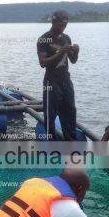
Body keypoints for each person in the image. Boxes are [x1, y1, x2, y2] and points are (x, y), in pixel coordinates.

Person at [37, 10, 79, 141]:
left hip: (66, 80)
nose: (62, 28)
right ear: (53, 22)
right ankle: (51, 146)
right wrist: (60, 52)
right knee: (50, 116)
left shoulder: (66, 38)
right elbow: (43, 63)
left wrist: (76, 52)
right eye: (60, 25)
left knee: (70, 113)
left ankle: (71, 146)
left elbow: (72, 60)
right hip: (51, 82)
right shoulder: (43, 39)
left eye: (64, 25)